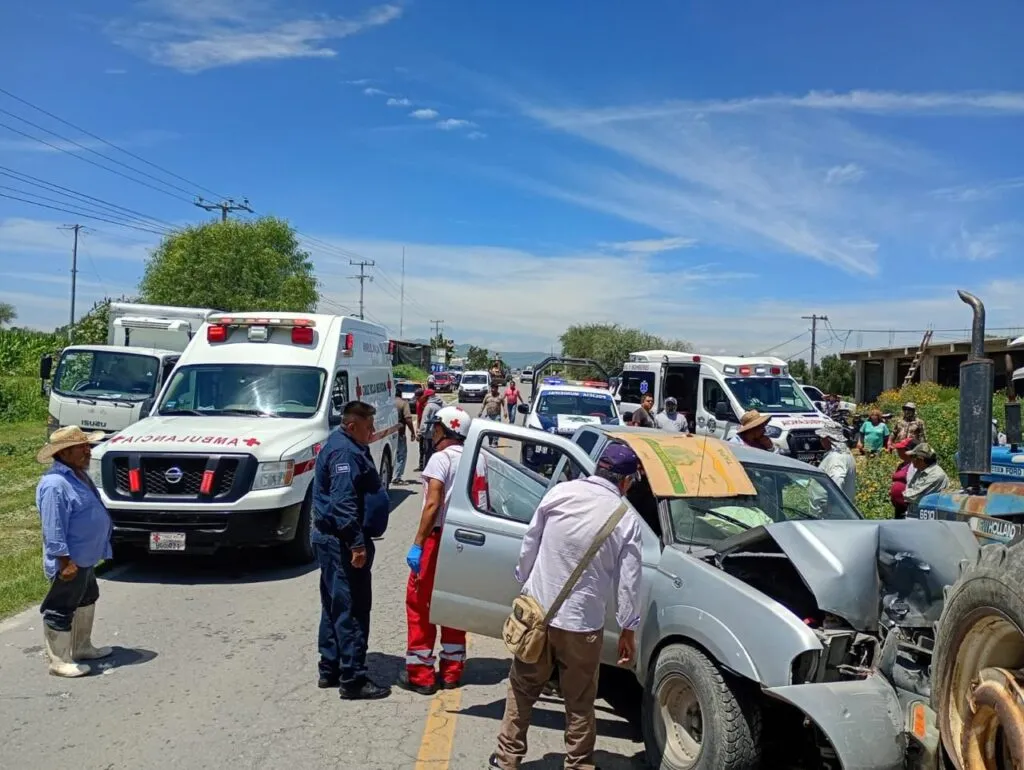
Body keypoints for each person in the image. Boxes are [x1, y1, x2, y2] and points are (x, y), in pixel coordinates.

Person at [489, 442, 643, 770]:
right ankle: (578, 764)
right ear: (627, 481)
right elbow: (629, 583)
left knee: (522, 687)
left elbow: (530, 542)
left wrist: (527, 582)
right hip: (582, 626)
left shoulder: (560, 493)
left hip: (538, 613)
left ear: (599, 467)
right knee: (580, 700)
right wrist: (628, 628)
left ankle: (506, 760)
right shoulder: (626, 519)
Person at [312, 400, 391, 700]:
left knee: (334, 604)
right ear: (351, 425)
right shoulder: (344, 451)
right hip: (342, 542)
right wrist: (356, 544)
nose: (372, 431)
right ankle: (353, 677)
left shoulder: (345, 444)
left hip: (335, 539)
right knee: (352, 608)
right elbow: (343, 501)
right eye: (368, 427)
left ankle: (330, 667)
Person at [401, 406, 476, 694]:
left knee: (420, 603)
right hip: (466, 542)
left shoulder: (440, 459)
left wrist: (418, 544)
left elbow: (433, 504)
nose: (432, 432)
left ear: (446, 429)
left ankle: (421, 674)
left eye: (436, 428)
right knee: (455, 606)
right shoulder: (478, 459)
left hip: (438, 538)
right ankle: (452, 671)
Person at [35, 426, 114, 678]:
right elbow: (53, 528)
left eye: (87, 446)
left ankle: (81, 647)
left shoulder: (78, 475)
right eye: (82, 447)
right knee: (61, 606)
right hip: (70, 561)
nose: (88, 451)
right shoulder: (55, 484)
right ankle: (58, 660)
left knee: (88, 596)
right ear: (65, 452)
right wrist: (64, 561)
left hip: (85, 558)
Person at [902, 443, 950, 516]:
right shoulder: (920, 470)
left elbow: (913, 496)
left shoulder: (936, 475)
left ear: (921, 460)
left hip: (928, 518)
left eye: (913, 457)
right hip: (914, 514)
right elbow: (910, 487)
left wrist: (900, 493)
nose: (911, 460)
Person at [815, 425, 856, 500]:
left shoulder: (836, 458)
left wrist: (833, 502)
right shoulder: (846, 453)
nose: (821, 441)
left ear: (827, 439)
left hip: (830, 509)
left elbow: (837, 480)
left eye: (821, 438)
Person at [393, 389, 417, 485]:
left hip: (388, 433)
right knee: (401, 455)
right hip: (400, 433)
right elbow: (408, 419)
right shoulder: (403, 403)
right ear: (401, 394)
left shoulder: (387, 403)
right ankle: (397, 478)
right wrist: (412, 432)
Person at [889, 438, 919, 519]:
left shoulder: (915, 466)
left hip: (908, 508)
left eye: (900, 449)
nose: (898, 451)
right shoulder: (901, 465)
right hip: (898, 507)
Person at [418, 389, 445, 469]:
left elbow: (424, 421)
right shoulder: (442, 405)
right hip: (440, 434)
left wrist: (421, 432)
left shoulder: (429, 407)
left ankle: (428, 470)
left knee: (428, 453)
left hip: (429, 435)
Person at [480, 383, 505, 447]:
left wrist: (505, 412)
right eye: (492, 388)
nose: (493, 389)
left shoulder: (500, 396)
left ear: (497, 389)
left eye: (494, 388)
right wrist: (481, 411)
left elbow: (504, 405)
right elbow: (483, 404)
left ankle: (495, 441)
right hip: (489, 415)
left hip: (497, 415)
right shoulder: (487, 396)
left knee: (497, 429)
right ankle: (490, 439)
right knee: (488, 430)